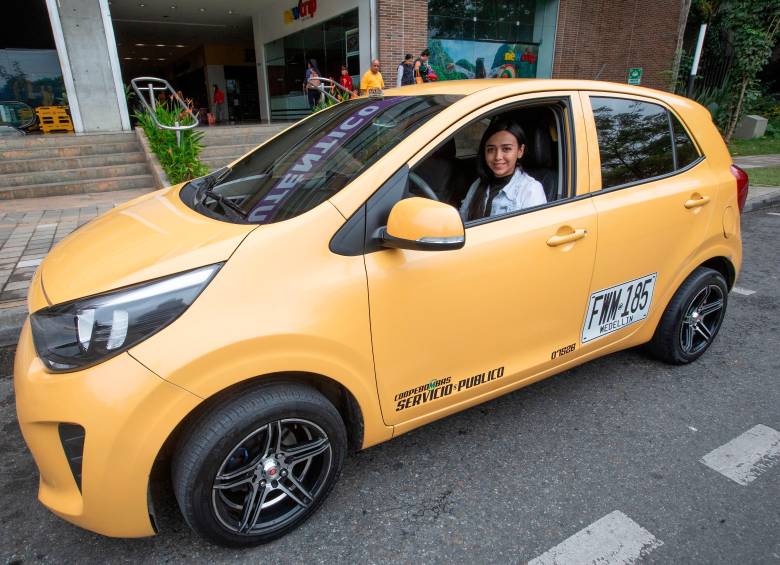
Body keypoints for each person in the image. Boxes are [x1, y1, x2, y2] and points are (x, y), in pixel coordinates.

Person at [459, 119, 546, 222]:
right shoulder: (478, 184)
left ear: (520, 151)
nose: (498, 157)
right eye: (491, 150)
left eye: (506, 149)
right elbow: (462, 222)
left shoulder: (531, 190)